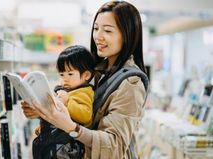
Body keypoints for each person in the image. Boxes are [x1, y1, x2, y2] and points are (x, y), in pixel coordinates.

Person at [22, 1, 148, 158]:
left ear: (127, 35)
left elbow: (115, 146)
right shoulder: (96, 70)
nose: (98, 37)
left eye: (108, 31)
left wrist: (71, 127)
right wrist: (43, 111)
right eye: (96, 28)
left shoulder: (131, 84)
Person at [29, 45, 95, 159]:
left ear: (86, 75)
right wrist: (45, 125)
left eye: (70, 74)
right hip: (57, 139)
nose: (65, 78)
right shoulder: (63, 89)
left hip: (69, 144)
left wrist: (67, 102)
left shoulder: (84, 92)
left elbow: (86, 115)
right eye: (62, 74)